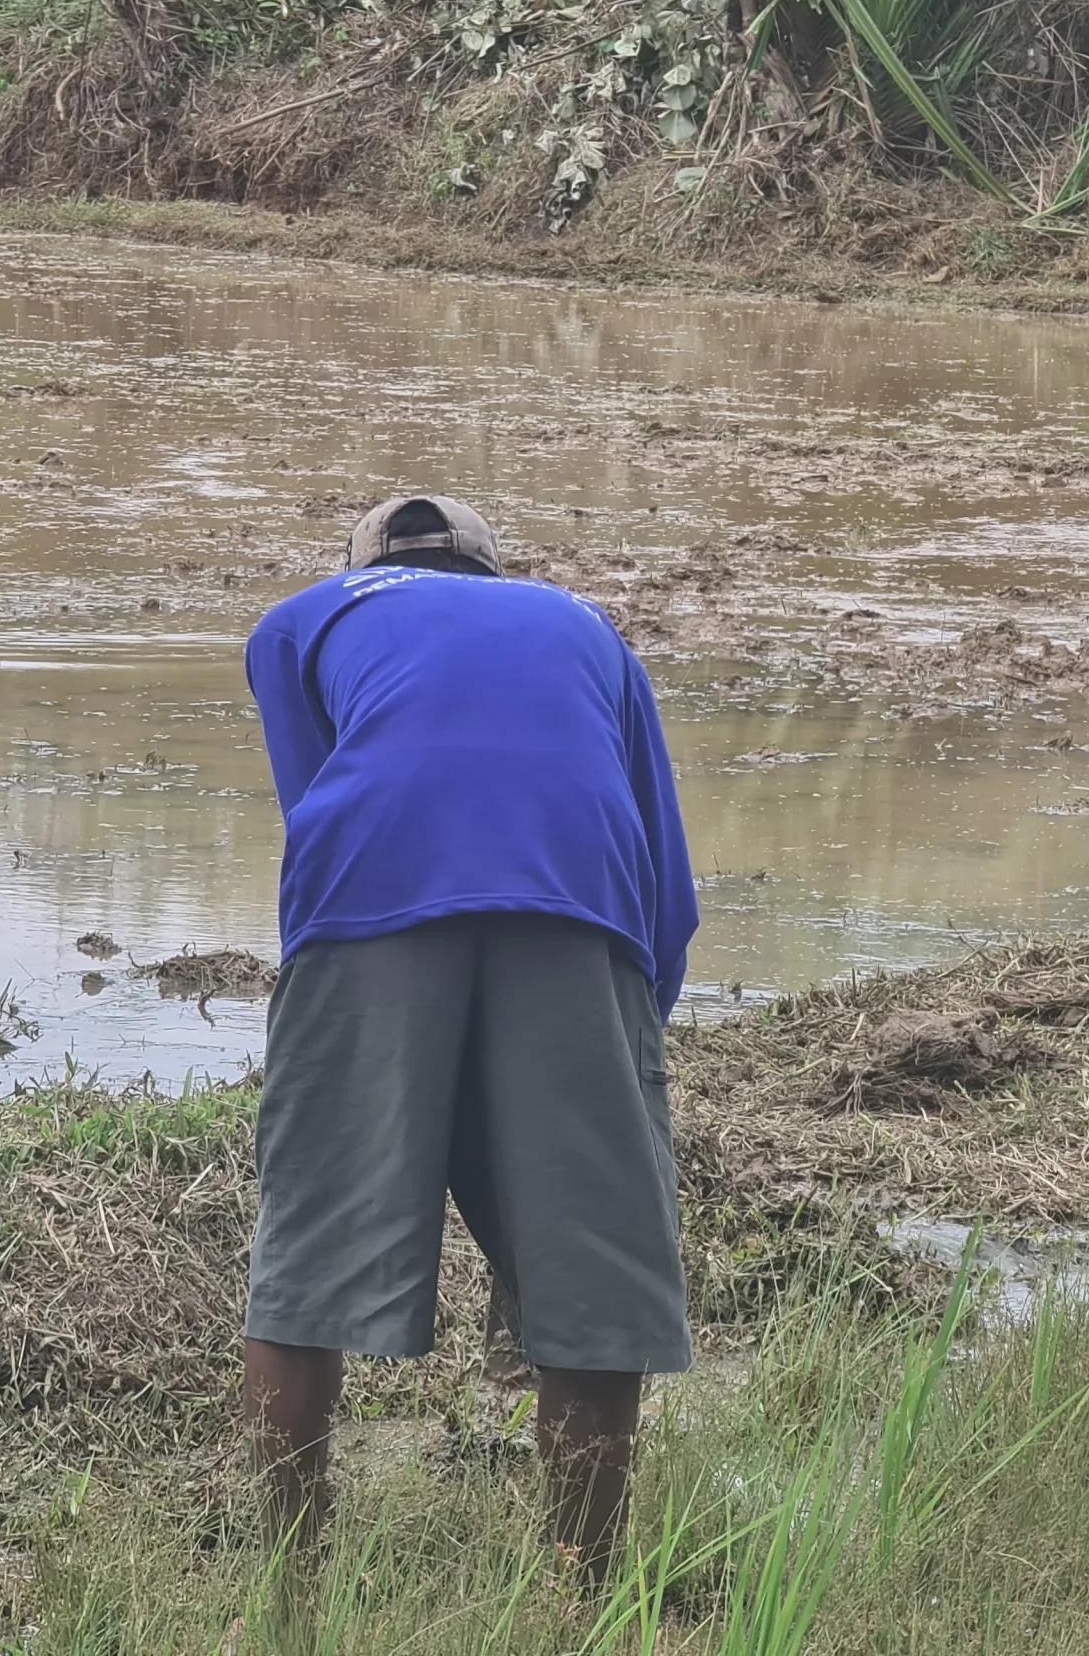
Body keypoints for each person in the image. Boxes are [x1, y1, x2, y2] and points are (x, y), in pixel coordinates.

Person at [240, 492, 699, 1574]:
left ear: (361, 567)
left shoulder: (301, 620)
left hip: (369, 901)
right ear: (494, 576)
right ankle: (583, 1590)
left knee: (308, 1250)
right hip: (578, 908)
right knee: (590, 1269)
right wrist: (630, 1028)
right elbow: (664, 869)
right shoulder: (588, 627)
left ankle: (291, 1583)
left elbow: (318, 810)